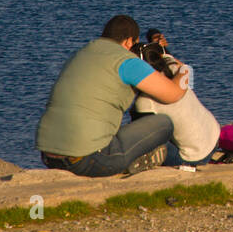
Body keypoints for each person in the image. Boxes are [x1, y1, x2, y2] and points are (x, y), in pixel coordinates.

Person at [36, 14, 188, 177]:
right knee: (164, 123)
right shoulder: (126, 61)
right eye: (135, 45)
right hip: (88, 160)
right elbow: (173, 94)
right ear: (129, 41)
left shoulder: (82, 53)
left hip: (48, 156)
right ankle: (181, 159)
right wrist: (185, 69)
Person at [132, 37, 220, 166]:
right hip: (214, 136)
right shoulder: (175, 70)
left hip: (194, 157)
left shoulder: (145, 102)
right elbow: (185, 67)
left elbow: (144, 138)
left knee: (139, 142)